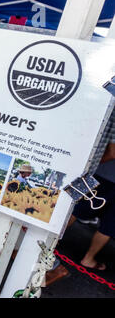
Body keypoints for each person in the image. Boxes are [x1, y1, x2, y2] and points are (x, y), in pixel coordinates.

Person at [67, 108, 115, 271]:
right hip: (105, 172)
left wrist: (88, 165)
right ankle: (88, 258)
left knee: (75, 207)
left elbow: (112, 152)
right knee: (110, 225)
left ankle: (47, 240)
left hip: (102, 172)